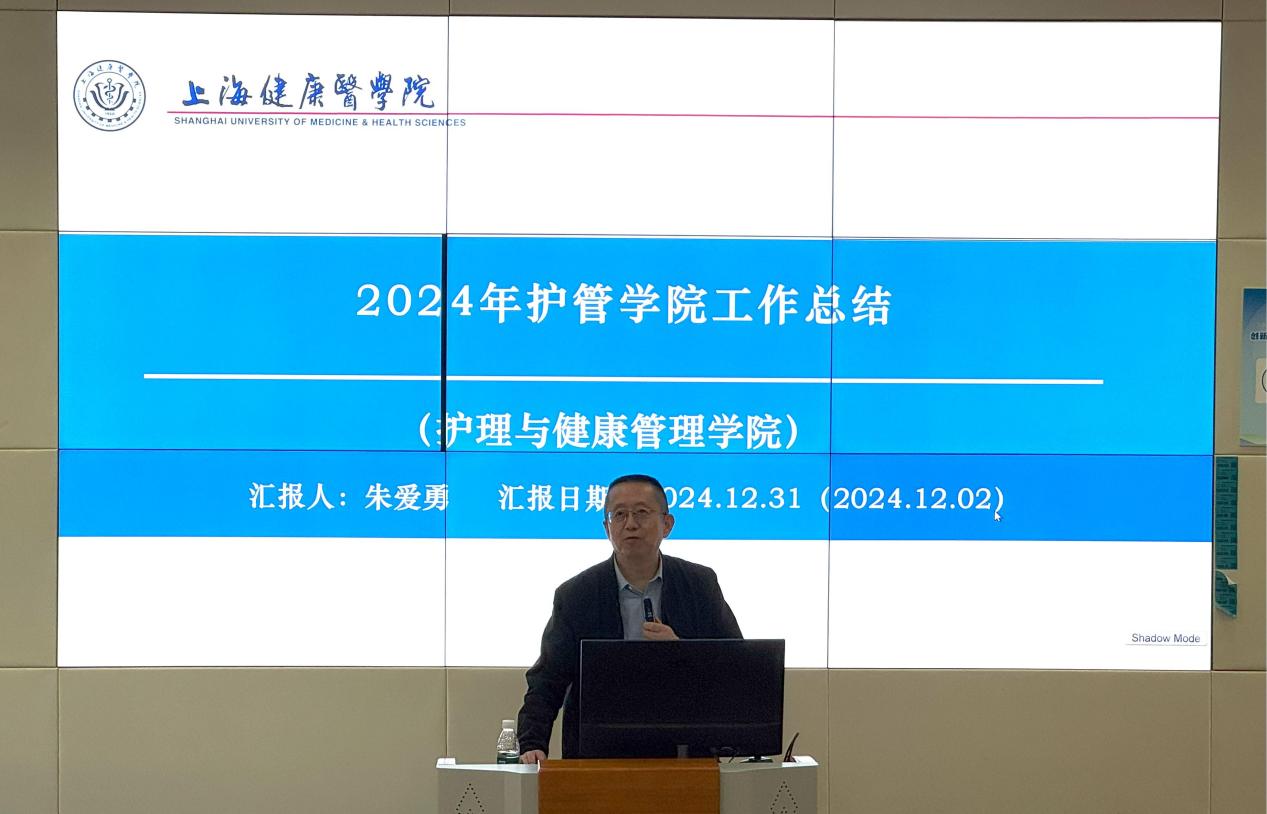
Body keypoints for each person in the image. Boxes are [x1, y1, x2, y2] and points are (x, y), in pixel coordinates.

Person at [516, 473, 742, 763]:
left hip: (684, 750)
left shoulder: (700, 584)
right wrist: (532, 743)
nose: (630, 524)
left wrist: (681, 651)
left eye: (642, 513)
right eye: (619, 515)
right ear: (607, 528)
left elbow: (734, 665)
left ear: (667, 524)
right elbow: (547, 679)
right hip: (598, 752)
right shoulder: (576, 595)